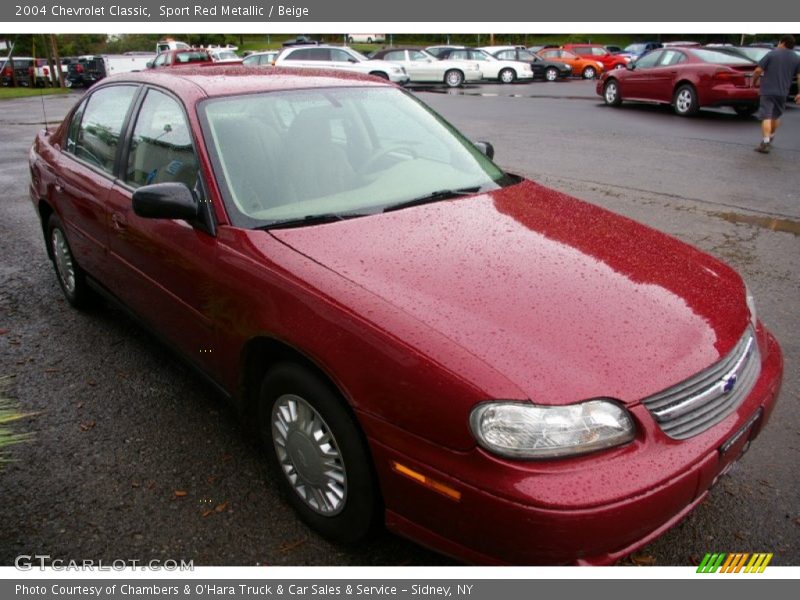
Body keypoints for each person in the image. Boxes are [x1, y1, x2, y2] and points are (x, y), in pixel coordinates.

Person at [752, 35, 800, 154]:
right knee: (776, 115)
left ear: (782, 43)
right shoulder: (796, 58)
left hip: (768, 91)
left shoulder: (772, 54)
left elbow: (758, 70)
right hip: (783, 92)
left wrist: (755, 81)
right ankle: (771, 135)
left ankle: (766, 142)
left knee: (766, 116)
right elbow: (799, 76)